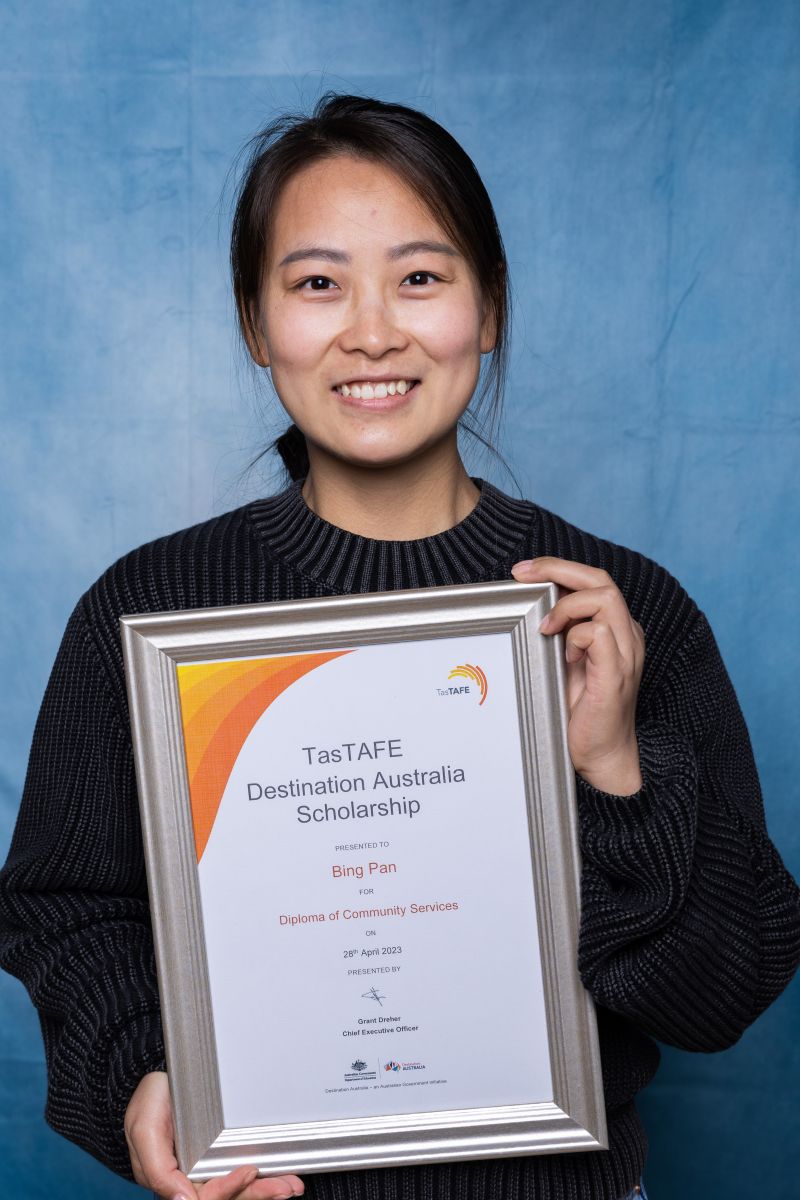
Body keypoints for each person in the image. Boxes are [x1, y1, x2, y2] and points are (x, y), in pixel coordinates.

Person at [0, 92, 798, 1200]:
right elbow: (66, 910)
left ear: (488, 309)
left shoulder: (618, 618)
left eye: (420, 278)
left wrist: (615, 772)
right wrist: (138, 1070)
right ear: (253, 322)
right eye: (317, 283)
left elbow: (721, 997)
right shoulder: (151, 611)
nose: (371, 330)